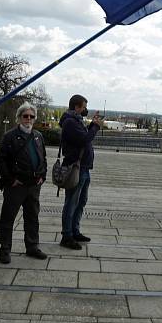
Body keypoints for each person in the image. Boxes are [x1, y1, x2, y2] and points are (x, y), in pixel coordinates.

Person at [0, 103, 48, 263]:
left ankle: (32, 246)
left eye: (32, 116)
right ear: (19, 117)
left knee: (32, 217)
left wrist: (42, 176)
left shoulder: (38, 136)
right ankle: (4, 249)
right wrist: (10, 179)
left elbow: (43, 158)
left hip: (34, 185)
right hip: (16, 185)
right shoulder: (10, 136)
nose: (29, 119)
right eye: (26, 116)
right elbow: (0, 159)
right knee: (8, 218)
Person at [59, 94, 102, 250]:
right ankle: (67, 235)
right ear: (77, 107)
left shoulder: (76, 120)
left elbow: (83, 138)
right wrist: (95, 126)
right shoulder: (70, 122)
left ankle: (75, 231)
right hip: (75, 168)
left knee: (81, 201)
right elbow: (85, 140)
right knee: (72, 202)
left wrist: (91, 125)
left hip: (83, 167)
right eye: (84, 107)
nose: (85, 110)